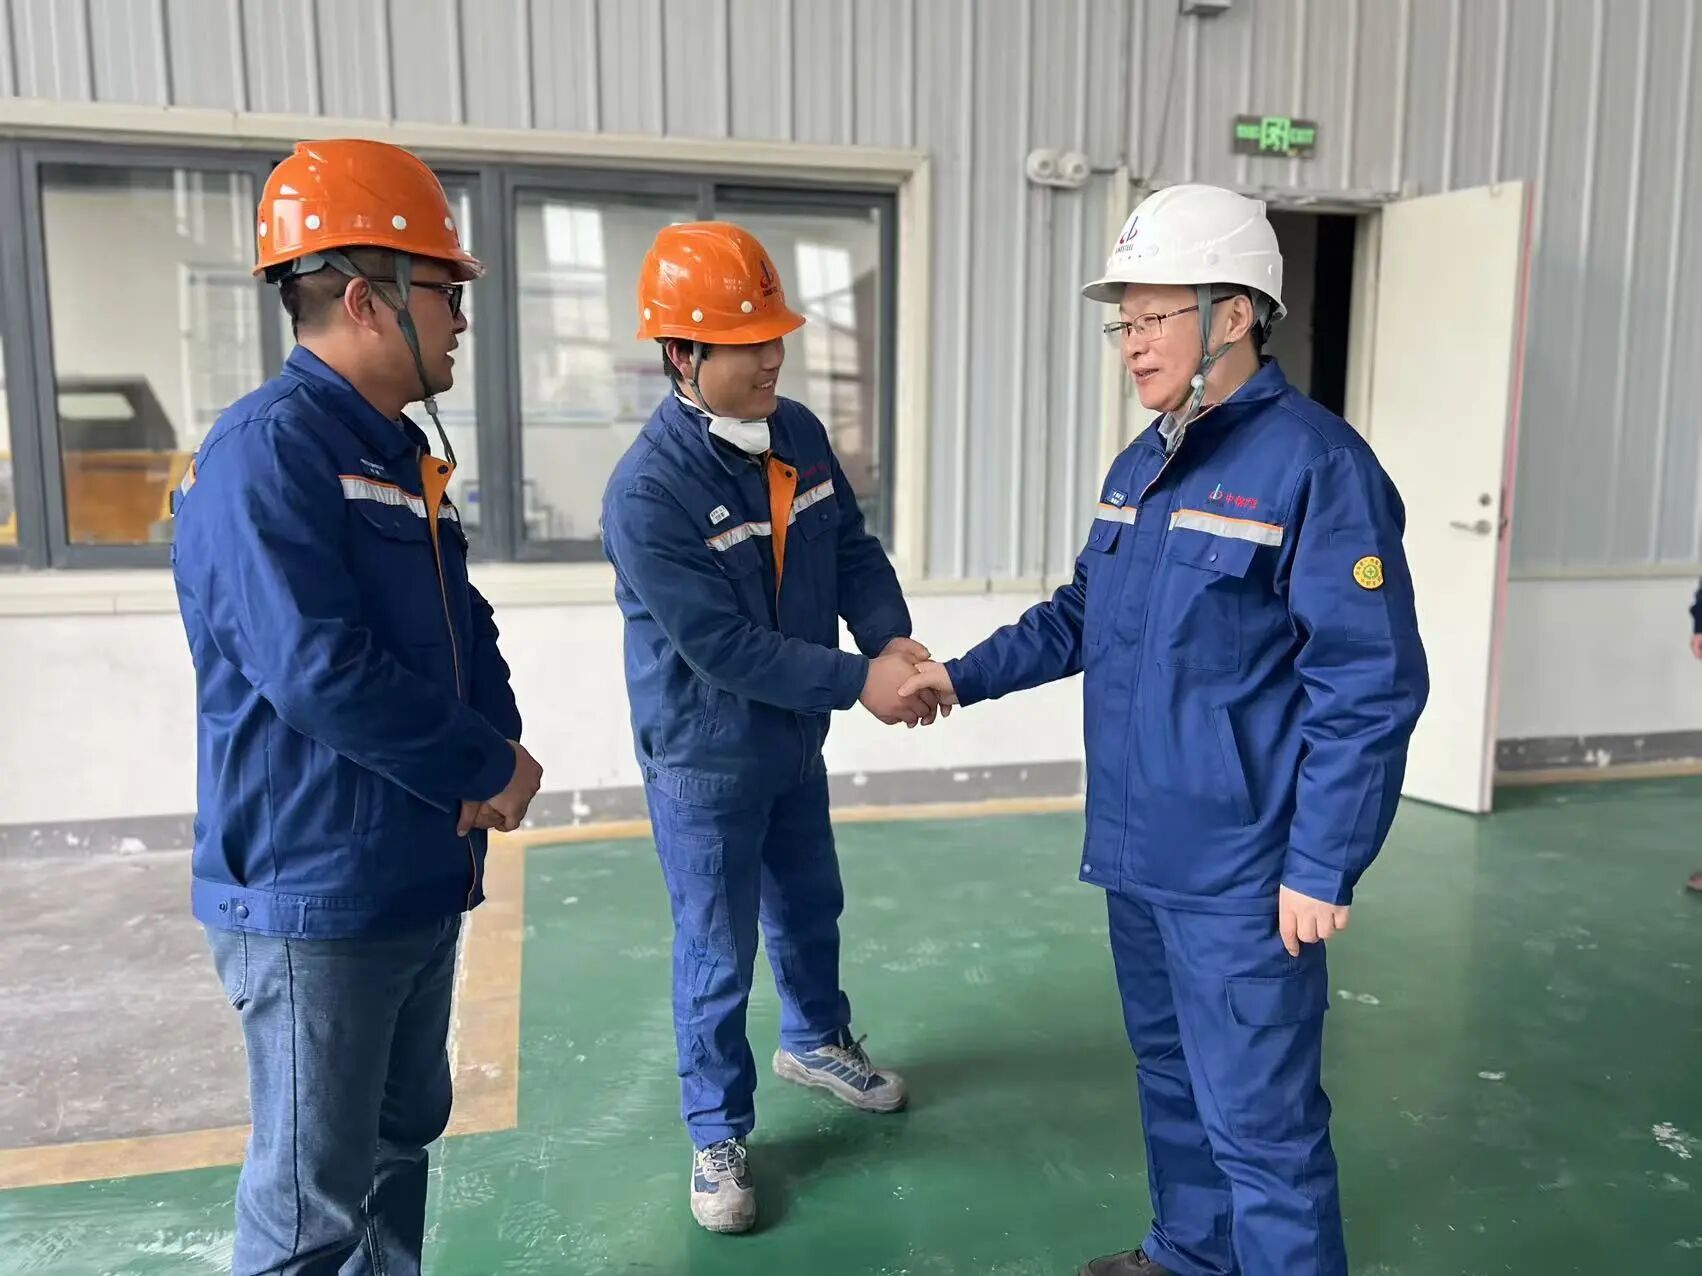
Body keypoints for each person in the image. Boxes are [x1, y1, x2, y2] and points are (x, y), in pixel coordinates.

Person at [899, 184, 1430, 1276]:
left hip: (1242, 871)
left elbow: (1368, 685)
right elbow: (1080, 615)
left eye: (1153, 317)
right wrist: (958, 675)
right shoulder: (1141, 463)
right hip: (1139, 851)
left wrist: (1322, 863)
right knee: (1171, 1077)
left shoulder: (1317, 467)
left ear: (1232, 314)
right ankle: (1192, 1252)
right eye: (1124, 322)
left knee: (1262, 1124)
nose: (1132, 342)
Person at [171, 138, 544, 1276]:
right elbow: (316, 670)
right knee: (311, 1212)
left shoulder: (391, 450)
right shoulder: (268, 452)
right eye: (445, 290)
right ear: (365, 299)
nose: (462, 317)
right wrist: (481, 766)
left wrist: (497, 745)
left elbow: (460, 622)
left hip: (410, 864)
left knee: (396, 1139)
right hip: (315, 887)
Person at [601, 221, 933, 1234]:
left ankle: (816, 1040)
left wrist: (891, 638)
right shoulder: (648, 492)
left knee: (809, 901)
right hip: (704, 754)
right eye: (746, 343)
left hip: (792, 739)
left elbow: (851, 550)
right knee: (716, 949)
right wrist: (861, 681)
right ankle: (717, 1130)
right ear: (681, 355)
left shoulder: (795, 432)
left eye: (774, 335)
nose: (772, 357)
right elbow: (724, 647)